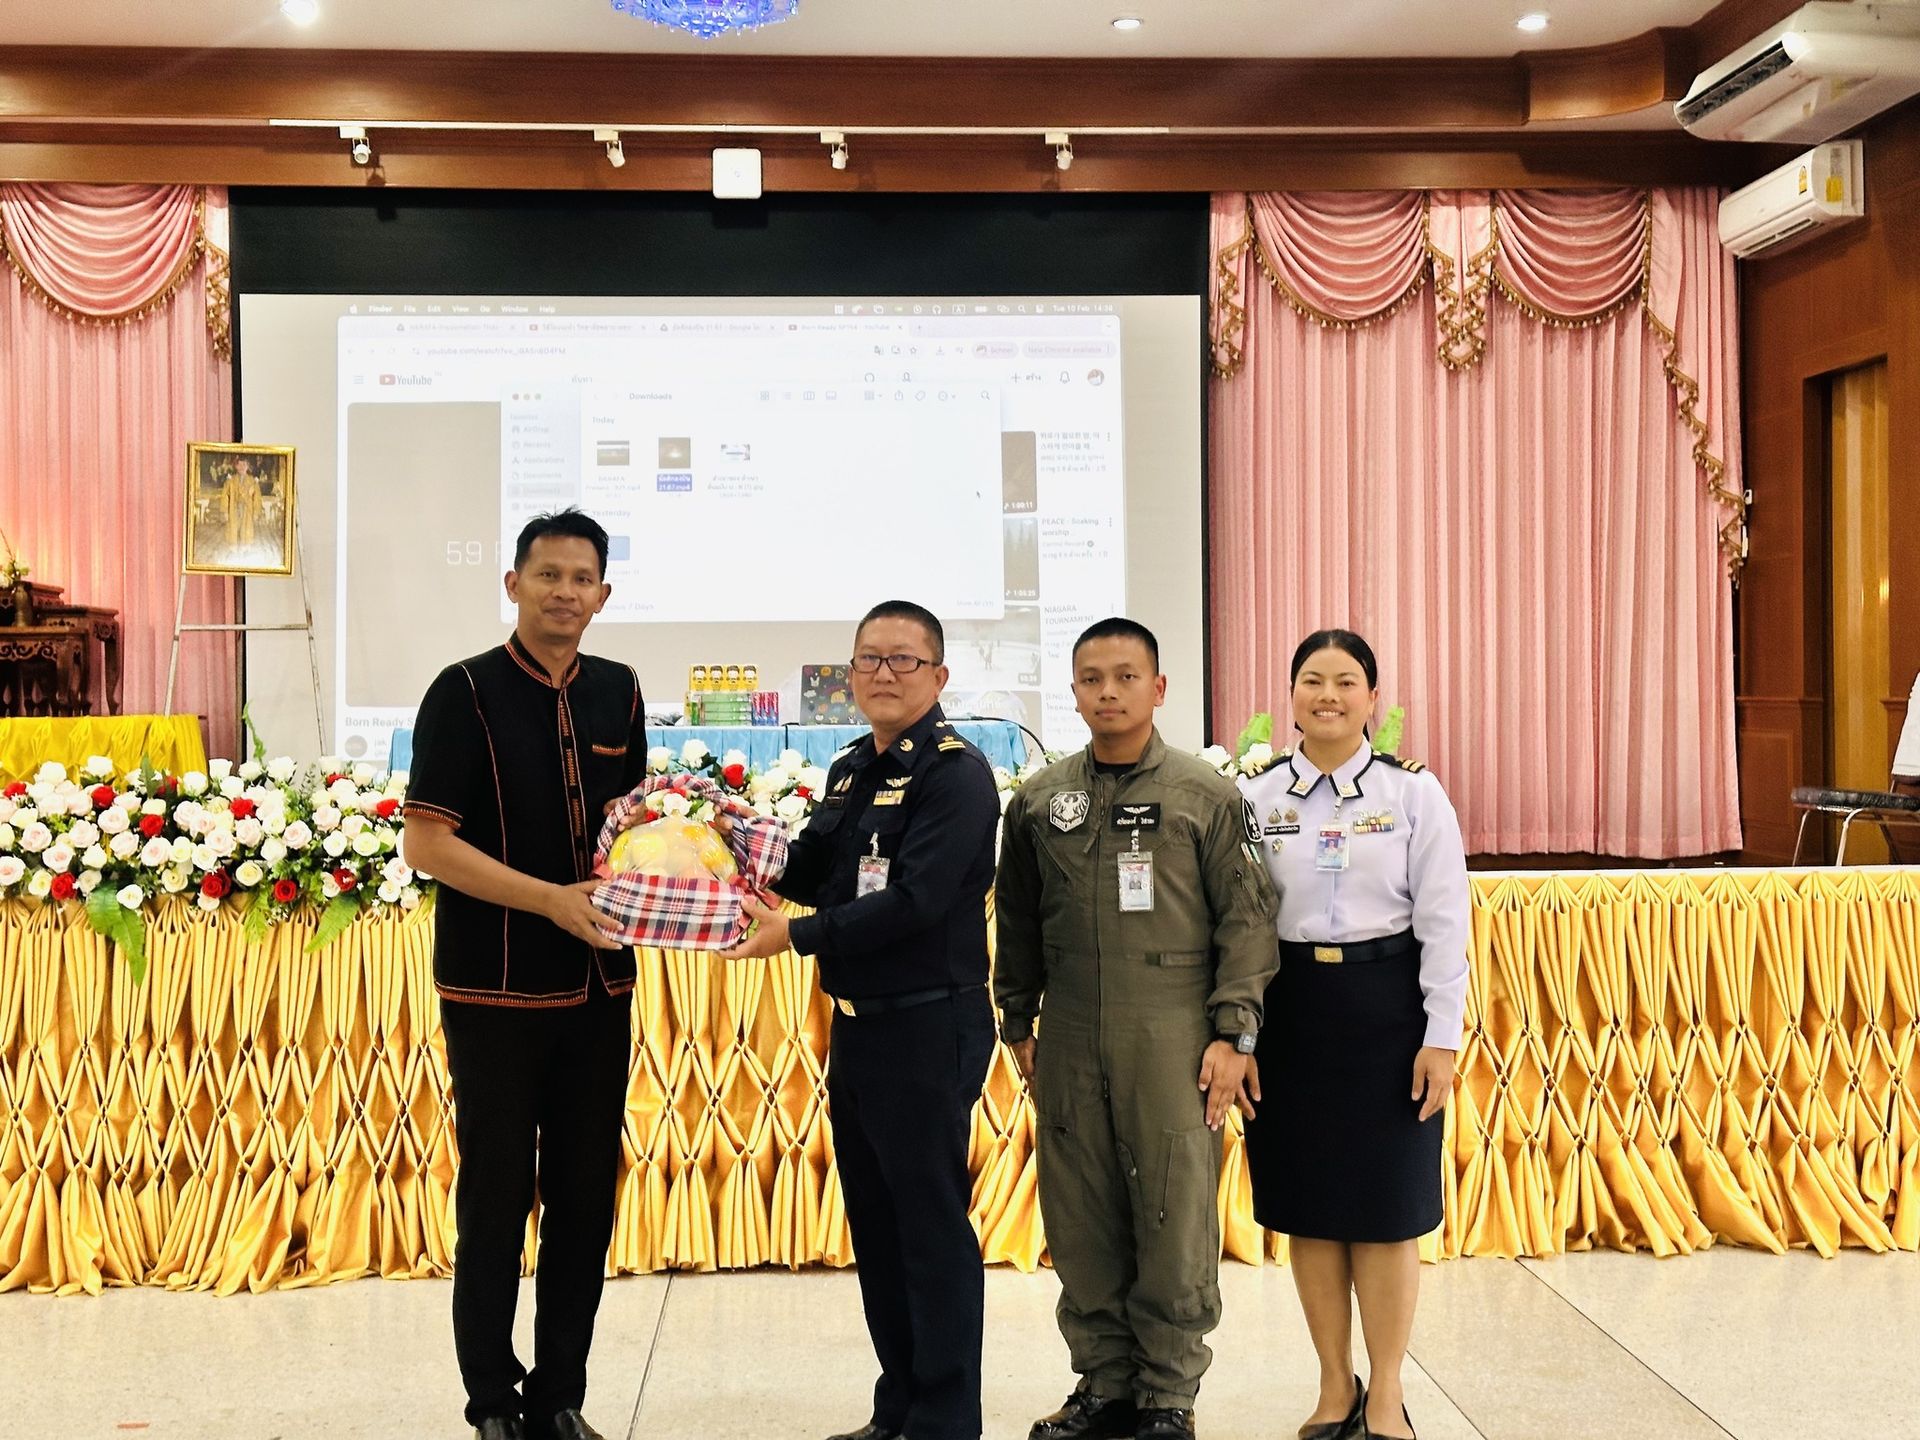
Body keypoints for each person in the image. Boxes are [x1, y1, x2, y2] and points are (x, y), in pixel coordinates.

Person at [721, 600, 1001, 1440]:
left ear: (938, 675)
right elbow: (814, 868)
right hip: (860, 1027)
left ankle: (944, 1421)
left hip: (928, 1026)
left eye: (903, 659)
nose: (883, 673)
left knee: (929, 1228)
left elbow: (916, 902)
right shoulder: (851, 767)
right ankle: (899, 1410)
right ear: (849, 674)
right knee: (877, 1227)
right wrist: (723, 844)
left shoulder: (956, 775)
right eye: (869, 659)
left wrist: (794, 936)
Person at [994, 618, 1280, 1440]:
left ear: (1158, 688)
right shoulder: (1041, 800)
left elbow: (1248, 922)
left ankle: (1167, 1393)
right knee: (1079, 1210)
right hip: (1070, 1026)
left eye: (1125, 677)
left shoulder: (1205, 795)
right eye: (1092, 679)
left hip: (1173, 1029)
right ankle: (1104, 1384)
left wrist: (1234, 1033)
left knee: (1172, 1210)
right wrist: (1017, 1014)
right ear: (1073, 691)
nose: (1108, 693)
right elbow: (1016, 915)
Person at [401, 507, 648, 1440]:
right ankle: (491, 1403)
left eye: (582, 579)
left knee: (585, 1205)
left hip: (599, 989)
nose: (564, 594)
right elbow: (428, 845)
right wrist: (549, 900)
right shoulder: (463, 691)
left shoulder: (618, 690)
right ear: (513, 584)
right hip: (495, 991)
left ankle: (559, 1399)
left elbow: (632, 835)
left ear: (603, 594)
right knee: (497, 1204)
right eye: (548, 575)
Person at [1235, 629, 1469, 1440]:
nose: (1327, 695)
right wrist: (1240, 1035)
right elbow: (1237, 924)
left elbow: (1446, 921)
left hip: (1388, 1012)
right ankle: (1335, 1385)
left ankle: (1387, 1391)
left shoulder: (1413, 793)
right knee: (1310, 1208)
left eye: (1344, 682)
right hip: (1290, 1013)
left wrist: (1442, 1034)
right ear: (1291, 696)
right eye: (1312, 680)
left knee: (1386, 1209)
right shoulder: (1257, 797)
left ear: (1373, 697)